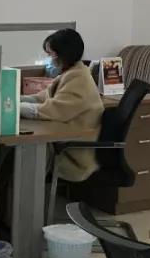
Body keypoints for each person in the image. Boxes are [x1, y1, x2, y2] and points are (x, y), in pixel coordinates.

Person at [19, 28, 104, 183]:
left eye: (51, 54)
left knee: (24, 152)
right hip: (61, 142)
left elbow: (51, 110)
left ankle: (20, 197)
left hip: (72, 155)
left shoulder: (80, 80)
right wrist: (15, 100)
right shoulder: (70, 73)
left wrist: (14, 108)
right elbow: (41, 98)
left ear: (63, 54)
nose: (49, 59)